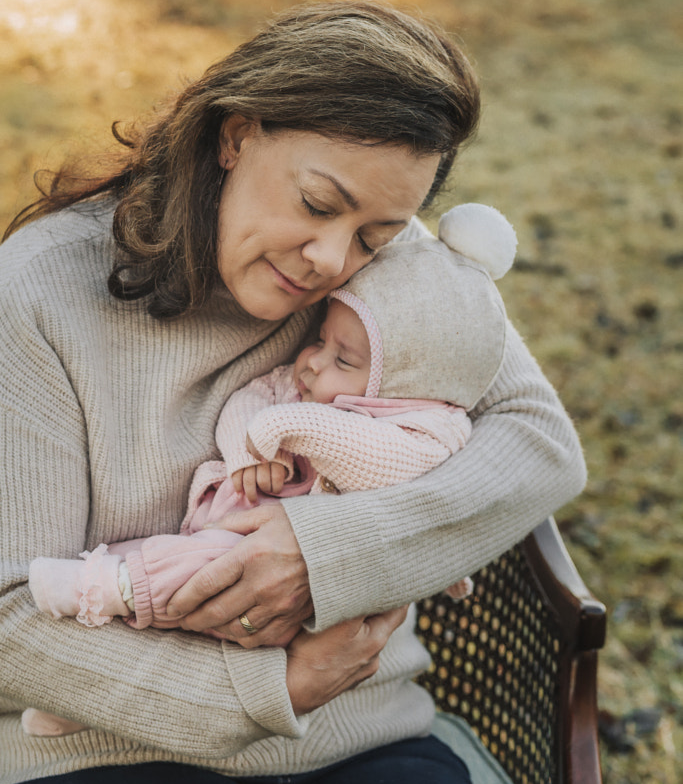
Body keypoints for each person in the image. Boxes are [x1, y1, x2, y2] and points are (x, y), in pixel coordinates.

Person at [0, 0, 586, 784]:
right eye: (316, 205)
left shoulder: (399, 275)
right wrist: (268, 690)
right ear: (235, 136)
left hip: (358, 735)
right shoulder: (37, 293)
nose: (330, 260)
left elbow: (538, 445)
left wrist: (320, 552)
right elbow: (10, 619)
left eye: (375, 235)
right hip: (100, 752)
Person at [26, 200, 514, 684]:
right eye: (320, 339)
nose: (312, 362)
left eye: (343, 360)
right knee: (154, 552)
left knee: (190, 573)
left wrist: (285, 428)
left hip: (289, 588)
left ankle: (104, 591)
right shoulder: (301, 386)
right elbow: (252, 399)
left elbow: (378, 458)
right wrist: (245, 451)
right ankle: (85, 699)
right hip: (222, 532)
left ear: (404, 383)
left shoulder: (428, 426)